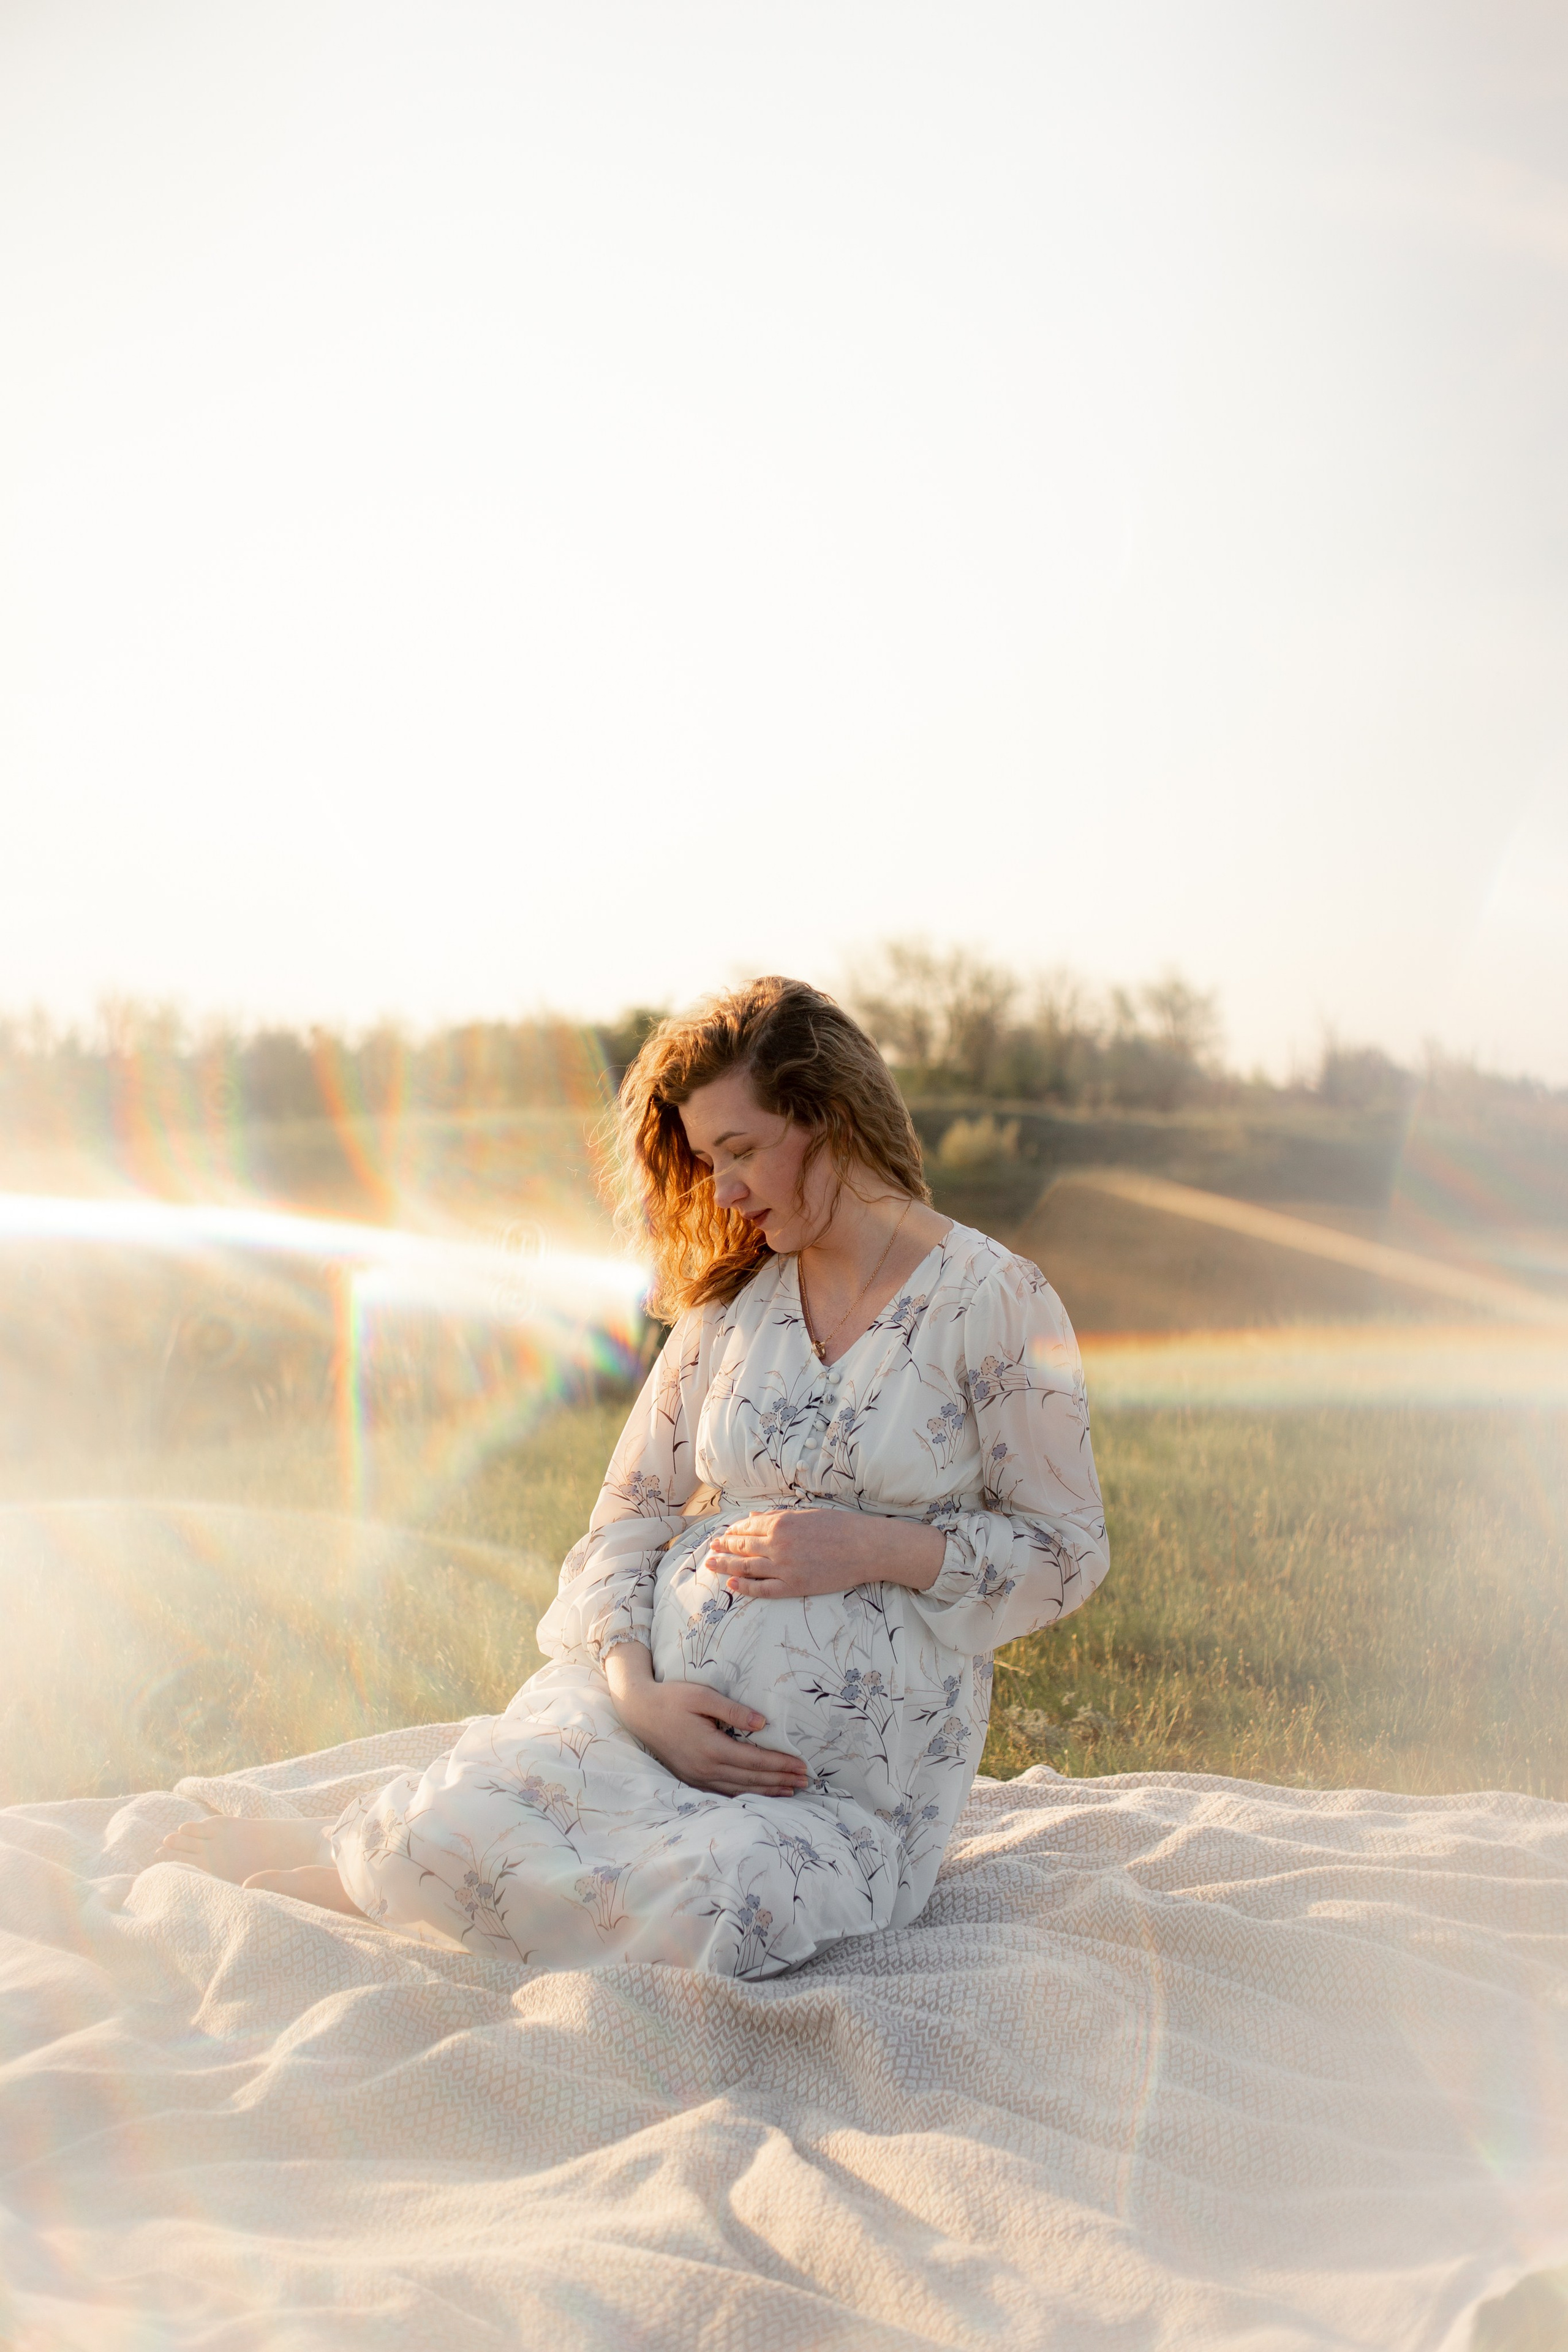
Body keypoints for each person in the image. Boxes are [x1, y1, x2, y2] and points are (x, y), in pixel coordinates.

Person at [160, 978, 1109, 1977]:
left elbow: (1068, 1550)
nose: (727, 1189)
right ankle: (370, 1857)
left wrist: (874, 1546)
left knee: (722, 1906)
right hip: (646, 1727)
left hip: (830, 1792)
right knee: (467, 1812)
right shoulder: (737, 1303)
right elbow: (628, 1517)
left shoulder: (997, 1298)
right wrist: (639, 1694)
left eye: (740, 1151)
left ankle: (401, 1881)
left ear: (827, 1116)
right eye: (709, 1163)